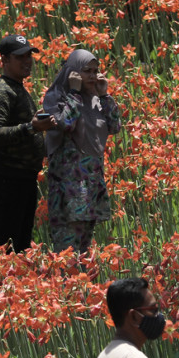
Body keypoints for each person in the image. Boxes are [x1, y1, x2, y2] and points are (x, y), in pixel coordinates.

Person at [43, 49, 122, 254]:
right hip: (67, 190)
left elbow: (115, 127)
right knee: (67, 254)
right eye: (87, 71)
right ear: (72, 72)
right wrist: (75, 93)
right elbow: (66, 123)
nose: (93, 76)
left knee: (85, 253)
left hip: (91, 185)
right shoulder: (56, 97)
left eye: (96, 71)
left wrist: (104, 95)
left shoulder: (95, 100)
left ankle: (83, 286)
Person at [0, 34, 57, 253]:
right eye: (19, 57)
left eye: (29, 56)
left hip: (22, 179)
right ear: (4, 60)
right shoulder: (0, 92)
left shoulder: (16, 87)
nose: (27, 61)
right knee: (8, 247)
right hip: (8, 180)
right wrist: (32, 128)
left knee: (22, 245)